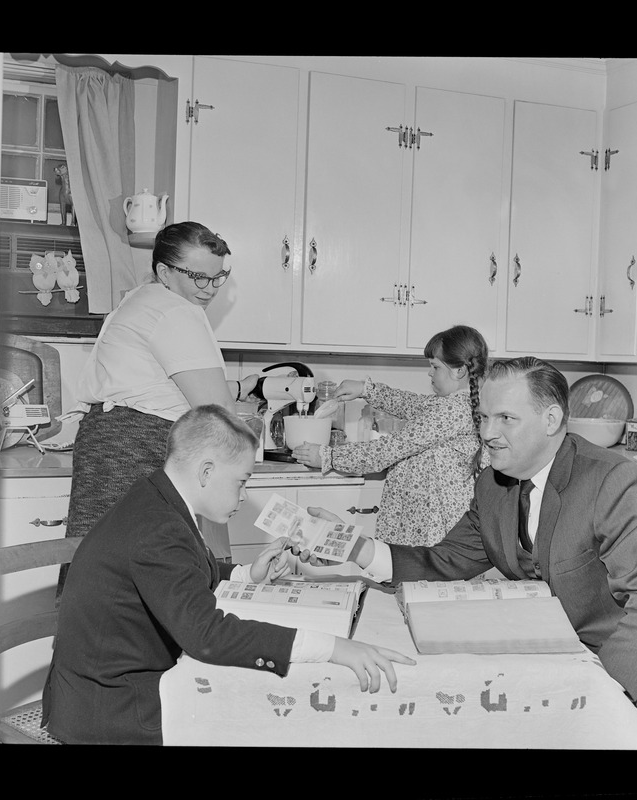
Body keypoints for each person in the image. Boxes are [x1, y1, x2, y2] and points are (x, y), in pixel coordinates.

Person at [295, 357, 637, 749]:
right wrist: (354, 546)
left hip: (631, 688)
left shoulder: (615, 482)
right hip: (550, 678)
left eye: (506, 419)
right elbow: (444, 560)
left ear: (551, 420)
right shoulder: (493, 486)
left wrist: (596, 692)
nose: (487, 433)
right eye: (482, 417)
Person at [42, 405, 416, 745]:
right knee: (269, 721)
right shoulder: (159, 529)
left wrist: (245, 575)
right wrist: (334, 648)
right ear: (206, 471)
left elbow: (178, 571)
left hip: (103, 686)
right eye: (241, 481)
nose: (243, 494)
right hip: (111, 709)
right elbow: (207, 636)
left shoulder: (155, 497)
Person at [62, 221, 258, 573]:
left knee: (99, 562)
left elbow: (165, 383)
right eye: (199, 276)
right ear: (164, 271)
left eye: (218, 277)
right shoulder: (176, 310)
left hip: (106, 439)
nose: (210, 289)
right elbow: (217, 410)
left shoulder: (141, 299)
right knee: (147, 567)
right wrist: (241, 469)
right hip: (138, 445)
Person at [291, 325, 489, 546]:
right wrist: (367, 390)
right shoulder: (458, 403)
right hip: (433, 521)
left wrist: (328, 457)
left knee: (415, 575)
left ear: (459, 370)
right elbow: (412, 403)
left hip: (432, 525)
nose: (429, 373)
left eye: (435, 366)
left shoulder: (451, 409)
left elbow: (389, 450)